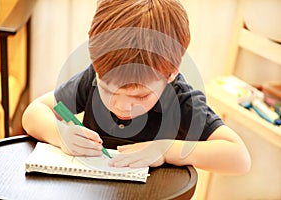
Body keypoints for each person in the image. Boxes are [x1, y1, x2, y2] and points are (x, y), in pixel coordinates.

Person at [22, 0, 251, 174]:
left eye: (140, 96)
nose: (121, 106)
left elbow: (239, 157)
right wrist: (61, 135)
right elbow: (34, 112)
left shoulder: (180, 98)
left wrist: (165, 150)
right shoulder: (95, 75)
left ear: (171, 73)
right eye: (108, 89)